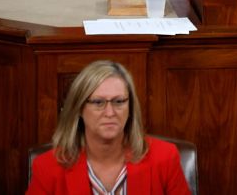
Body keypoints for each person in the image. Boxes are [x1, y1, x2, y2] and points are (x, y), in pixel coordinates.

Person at [28, 59, 190, 195]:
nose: (110, 112)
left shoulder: (165, 158)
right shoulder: (47, 167)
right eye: (98, 103)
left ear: (130, 107)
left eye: (119, 102)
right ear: (78, 109)